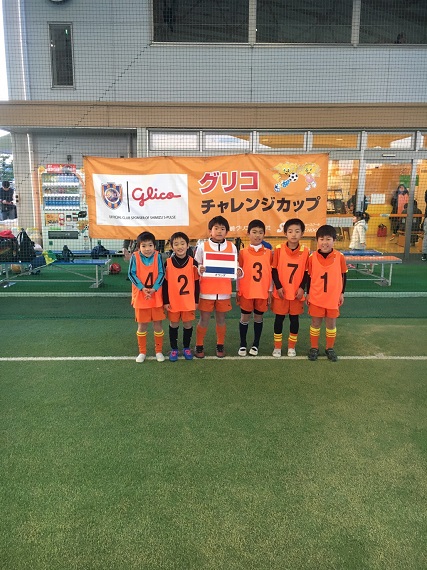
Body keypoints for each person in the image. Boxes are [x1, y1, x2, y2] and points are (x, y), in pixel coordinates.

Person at [194, 215, 238, 358]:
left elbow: (235, 266)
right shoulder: (202, 246)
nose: (219, 231)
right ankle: (199, 345)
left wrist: (237, 271)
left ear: (227, 232)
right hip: (206, 291)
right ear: (210, 231)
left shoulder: (232, 247)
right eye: (216, 228)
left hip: (224, 291)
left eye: (222, 229)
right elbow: (196, 264)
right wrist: (199, 268)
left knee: (221, 319)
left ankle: (220, 344)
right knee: (204, 319)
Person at [306, 225, 348, 362]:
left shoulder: (339, 257)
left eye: (328, 239)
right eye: (322, 239)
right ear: (317, 241)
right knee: (315, 322)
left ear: (334, 240)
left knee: (331, 323)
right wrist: (308, 293)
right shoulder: (312, 257)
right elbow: (309, 277)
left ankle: (330, 348)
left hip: (332, 298)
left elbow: (344, 275)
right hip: (316, 297)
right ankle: (314, 347)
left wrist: (342, 293)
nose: (325, 242)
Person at [271, 218, 309, 358]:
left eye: (297, 231)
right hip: (281, 292)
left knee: (294, 320)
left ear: (302, 234)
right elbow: (274, 270)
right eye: (290, 231)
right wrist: (278, 286)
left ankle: (291, 347)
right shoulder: (279, 249)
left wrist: (302, 288)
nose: (294, 234)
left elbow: (307, 272)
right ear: (285, 233)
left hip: (296, 293)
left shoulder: (306, 251)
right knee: (279, 319)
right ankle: (277, 347)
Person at [236, 219, 272, 357]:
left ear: (264, 234)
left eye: (260, 232)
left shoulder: (269, 253)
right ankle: (242, 344)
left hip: (262, 292)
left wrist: (270, 291)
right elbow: (239, 273)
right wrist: (238, 290)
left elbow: (270, 273)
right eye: (254, 232)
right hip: (247, 291)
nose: (257, 235)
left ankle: (256, 344)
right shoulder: (243, 252)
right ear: (248, 233)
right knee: (244, 317)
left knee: (258, 317)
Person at [128, 231, 165, 363]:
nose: (147, 249)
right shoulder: (135, 257)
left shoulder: (158, 256)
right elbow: (131, 274)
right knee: (142, 325)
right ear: (139, 247)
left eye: (150, 245)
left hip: (156, 296)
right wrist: (142, 288)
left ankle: (158, 351)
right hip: (141, 296)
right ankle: (142, 352)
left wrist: (154, 288)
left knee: (157, 324)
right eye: (144, 246)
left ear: (155, 246)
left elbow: (162, 273)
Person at [163, 231, 200, 361]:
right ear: (172, 247)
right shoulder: (167, 263)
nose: (180, 246)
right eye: (176, 244)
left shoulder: (193, 263)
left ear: (188, 245)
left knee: (188, 324)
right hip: (173, 301)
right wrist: (166, 301)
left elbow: (196, 283)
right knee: (173, 324)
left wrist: (196, 300)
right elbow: (165, 284)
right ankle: (174, 348)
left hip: (188, 301)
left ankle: (186, 347)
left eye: (182, 243)